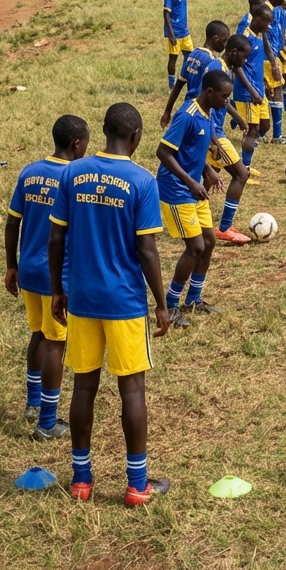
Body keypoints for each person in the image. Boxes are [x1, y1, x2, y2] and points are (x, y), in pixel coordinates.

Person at [48, 103, 170, 506]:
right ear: (135, 137)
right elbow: (147, 250)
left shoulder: (72, 174)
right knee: (131, 388)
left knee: (84, 385)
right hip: (124, 301)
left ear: (102, 132)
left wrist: (57, 290)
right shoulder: (141, 180)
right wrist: (162, 302)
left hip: (81, 297)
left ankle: (81, 480)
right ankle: (137, 485)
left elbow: (56, 240)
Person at [5, 115, 89, 440]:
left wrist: (11, 266)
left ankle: (32, 403)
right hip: (58, 275)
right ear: (77, 144)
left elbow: (13, 222)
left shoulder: (29, 172)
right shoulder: (74, 179)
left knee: (39, 333)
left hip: (27, 270)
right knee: (57, 341)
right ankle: (48, 421)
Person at [160, 21, 253, 243]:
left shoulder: (194, 55)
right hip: (209, 127)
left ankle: (200, 219)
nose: (245, 60)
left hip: (199, 124)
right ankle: (225, 226)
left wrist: (168, 110)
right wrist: (216, 136)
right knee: (241, 173)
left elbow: (181, 84)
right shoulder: (215, 65)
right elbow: (207, 97)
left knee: (208, 174)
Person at [156, 71, 233, 329]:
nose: (227, 102)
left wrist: (208, 171)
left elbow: (193, 151)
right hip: (177, 189)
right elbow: (164, 152)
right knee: (196, 247)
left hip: (194, 187)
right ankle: (170, 304)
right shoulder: (186, 115)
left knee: (209, 241)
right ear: (209, 92)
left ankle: (195, 299)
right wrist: (191, 181)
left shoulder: (208, 111)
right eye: (224, 97)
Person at [228, 13, 276, 179]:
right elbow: (237, 67)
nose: (269, 27)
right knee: (252, 130)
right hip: (248, 93)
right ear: (257, 19)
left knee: (265, 126)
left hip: (258, 89)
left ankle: (236, 115)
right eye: (267, 23)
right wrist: (252, 90)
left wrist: (264, 82)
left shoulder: (259, 35)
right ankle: (244, 170)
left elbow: (255, 64)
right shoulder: (246, 38)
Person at [163, 0, 193, 89]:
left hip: (184, 31)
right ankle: (172, 83)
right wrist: (171, 34)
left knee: (190, 56)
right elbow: (166, 14)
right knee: (173, 58)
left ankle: (185, 77)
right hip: (174, 32)